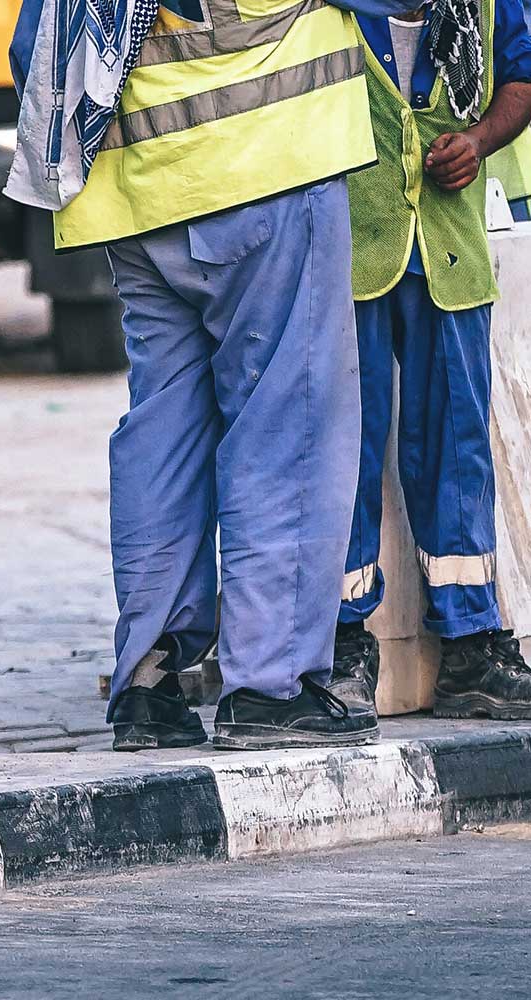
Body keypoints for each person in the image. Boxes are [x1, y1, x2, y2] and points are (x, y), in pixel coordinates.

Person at [10, 0, 421, 752]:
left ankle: (149, 680)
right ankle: (270, 684)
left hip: (135, 191)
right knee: (286, 425)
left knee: (163, 433)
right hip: (262, 163)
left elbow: (34, 40)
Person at [330, 0, 531, 720]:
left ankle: (470, 648)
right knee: (342, 448)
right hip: (352, 249)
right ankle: (342, 643)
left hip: (448, 249)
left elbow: (521, 76)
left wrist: (478, 139)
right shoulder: (330, 9)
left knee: (458, 449)